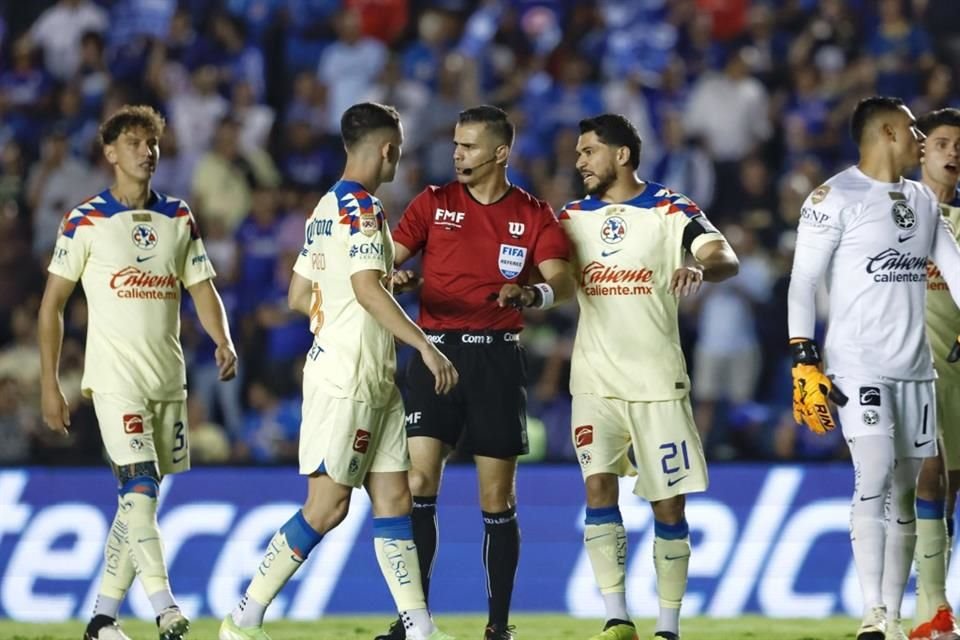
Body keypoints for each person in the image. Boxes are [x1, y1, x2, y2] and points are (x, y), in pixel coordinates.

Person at [218, 102, 459, 640]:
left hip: (372, 377)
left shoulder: (326, 207)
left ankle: (419, 627)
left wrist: (373, 290)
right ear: (388, 149)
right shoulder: (365, 210)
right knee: (327, 508)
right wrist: (424, 345)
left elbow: (300, 294)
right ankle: (242, 619)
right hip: (349, 378)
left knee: (397, 497)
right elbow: (363, 287)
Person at [38, 104, 238, 640]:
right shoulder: (84, 219)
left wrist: (222, 338)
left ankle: (103, 617)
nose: (146, 151)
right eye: (133, 142)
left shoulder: (178, 216)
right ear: (110, 153)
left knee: (138, 503)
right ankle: (165, 605)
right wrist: (50, 384)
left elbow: (201, 287)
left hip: (167, 380)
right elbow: (52, 304)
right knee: (142, 489)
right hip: (113, 380)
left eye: (151, 143)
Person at [375, 104, 575, 640]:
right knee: (419, 481)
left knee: (496, 498)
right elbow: (387, 259)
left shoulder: (533, 215)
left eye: (467, 146)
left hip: (496, 357)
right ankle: (413, 619)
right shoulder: (434, 203)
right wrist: (396, 276)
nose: (457, 154)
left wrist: (532, 292)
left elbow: (564, 281)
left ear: (500, 152)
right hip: (434, 351)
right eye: (456, 145)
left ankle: (497, 626)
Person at [560, 113, 739, 640]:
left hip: (658, 381)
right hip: (593, 379)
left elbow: (724, 255)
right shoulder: (571, 216)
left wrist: (700, 267)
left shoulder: (670, 208)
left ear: (621, 154)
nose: (579, 162)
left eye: (588, 151)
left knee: (669, 504)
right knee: (598, 489)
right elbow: (547, 274)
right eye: (577, 153)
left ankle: (668, 626)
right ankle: (617, 618)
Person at [788, 96, 960, 640]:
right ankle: (872, 612)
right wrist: (802, 354)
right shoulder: (833, 197)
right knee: (876, 474)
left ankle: (893, 611)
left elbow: (955, 270)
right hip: (857, 365)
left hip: (917, 370)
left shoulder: (922, 203)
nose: (920, 139)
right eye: (914, 130)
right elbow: (803, 281)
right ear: (888, 132)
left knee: (907, 492)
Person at [910, 107, 960, 640]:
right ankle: (933, 609)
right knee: (930, 476)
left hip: (957, 373)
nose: (952, 152)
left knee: (949, 492)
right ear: (923, 149)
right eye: (942, 142)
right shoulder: (892, 212)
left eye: (959, 146)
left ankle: (932, 605)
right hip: (906, 372)